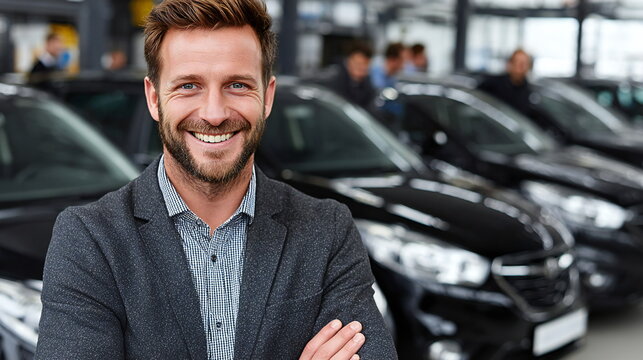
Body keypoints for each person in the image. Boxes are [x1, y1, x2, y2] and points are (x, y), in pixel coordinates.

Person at [35, 1, 397, 359]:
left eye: (237, 85)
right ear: (154, 98)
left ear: (267, 97)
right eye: (189, 85)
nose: (214, 113)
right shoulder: (90, 238)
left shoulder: (327, 230)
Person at [477, 49, 539, 118]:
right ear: (510, 64)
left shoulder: (529, 92)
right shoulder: (492, 84)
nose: (521, 67)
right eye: (517, 63)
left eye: (524, 64)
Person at [320, 42, 376, 109]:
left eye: (365, 64)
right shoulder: (333, 79)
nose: (362, 67)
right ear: (348, 61)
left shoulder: (367, 83)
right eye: (358, 63)